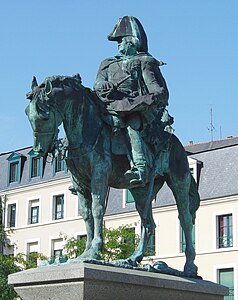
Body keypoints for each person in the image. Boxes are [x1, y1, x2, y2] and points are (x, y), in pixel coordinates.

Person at [94, 16, 169, 186]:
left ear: (131, 42)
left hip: (136, 109)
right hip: (110, 106)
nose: (119, 45)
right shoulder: (108, 63)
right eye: (118, 43)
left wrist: (140, 101)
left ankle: (140, 167)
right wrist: (103, 84)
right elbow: (97, 82)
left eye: (121, 41)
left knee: (131, 126)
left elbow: (158, 91)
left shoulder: (144, 62)